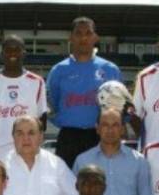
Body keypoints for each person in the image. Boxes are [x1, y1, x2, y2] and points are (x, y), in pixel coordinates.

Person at [47, 17, 122, 169]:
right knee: (66, 188)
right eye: (78, 33)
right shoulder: (58, 70)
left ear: (96, 37)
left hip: (99, 137)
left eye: (88, 33)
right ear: (71, 37)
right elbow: (51, 105)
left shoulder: (110, 69)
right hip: (68, 137)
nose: (83, 38)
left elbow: (121, 108)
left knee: (100, 185)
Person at [74, 107, 153, 195]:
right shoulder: (83, 160)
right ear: (98, 128)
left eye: (115, 125)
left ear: (122, 129)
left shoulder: (139, 162)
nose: (110, 130)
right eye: (105, 125)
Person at [0, 35, 48, 162]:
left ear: (24, 53)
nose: (12, 53)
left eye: (17, 49)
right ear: (1, 54)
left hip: (26, 149)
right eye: (8, 50)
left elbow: (42, 119)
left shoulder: (37, 81)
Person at [4, 115, 77, 195]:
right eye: (20, 133)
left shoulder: (57, 165)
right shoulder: (1, 166)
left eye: (31, 133)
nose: (25, 138)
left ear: (41, 137)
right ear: (13, 137)